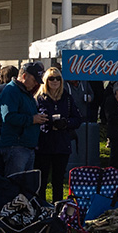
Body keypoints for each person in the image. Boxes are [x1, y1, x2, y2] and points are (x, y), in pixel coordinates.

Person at [34, 67, 82, 203]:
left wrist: (65, 123)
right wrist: (45, 122)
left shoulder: (67, 98)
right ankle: (41, 207)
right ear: (45, 81)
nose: (55, 81)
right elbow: (33, 118)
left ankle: (58, 207)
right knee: (41, 179)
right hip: (44, 142)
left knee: (58, 179)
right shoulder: (39, 98)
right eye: (51, 78)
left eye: (58, 78)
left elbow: (78, 119)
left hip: (62, 143)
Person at [0, 62, 47, 176]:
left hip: (26, 145)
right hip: (16, 145)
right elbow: (8, 116)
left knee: (25, 185)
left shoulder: (25, 92)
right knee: (14, 184)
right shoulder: (11, 91)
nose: (35, 84)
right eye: (34, 80)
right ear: (24, 76)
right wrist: (32, 119)